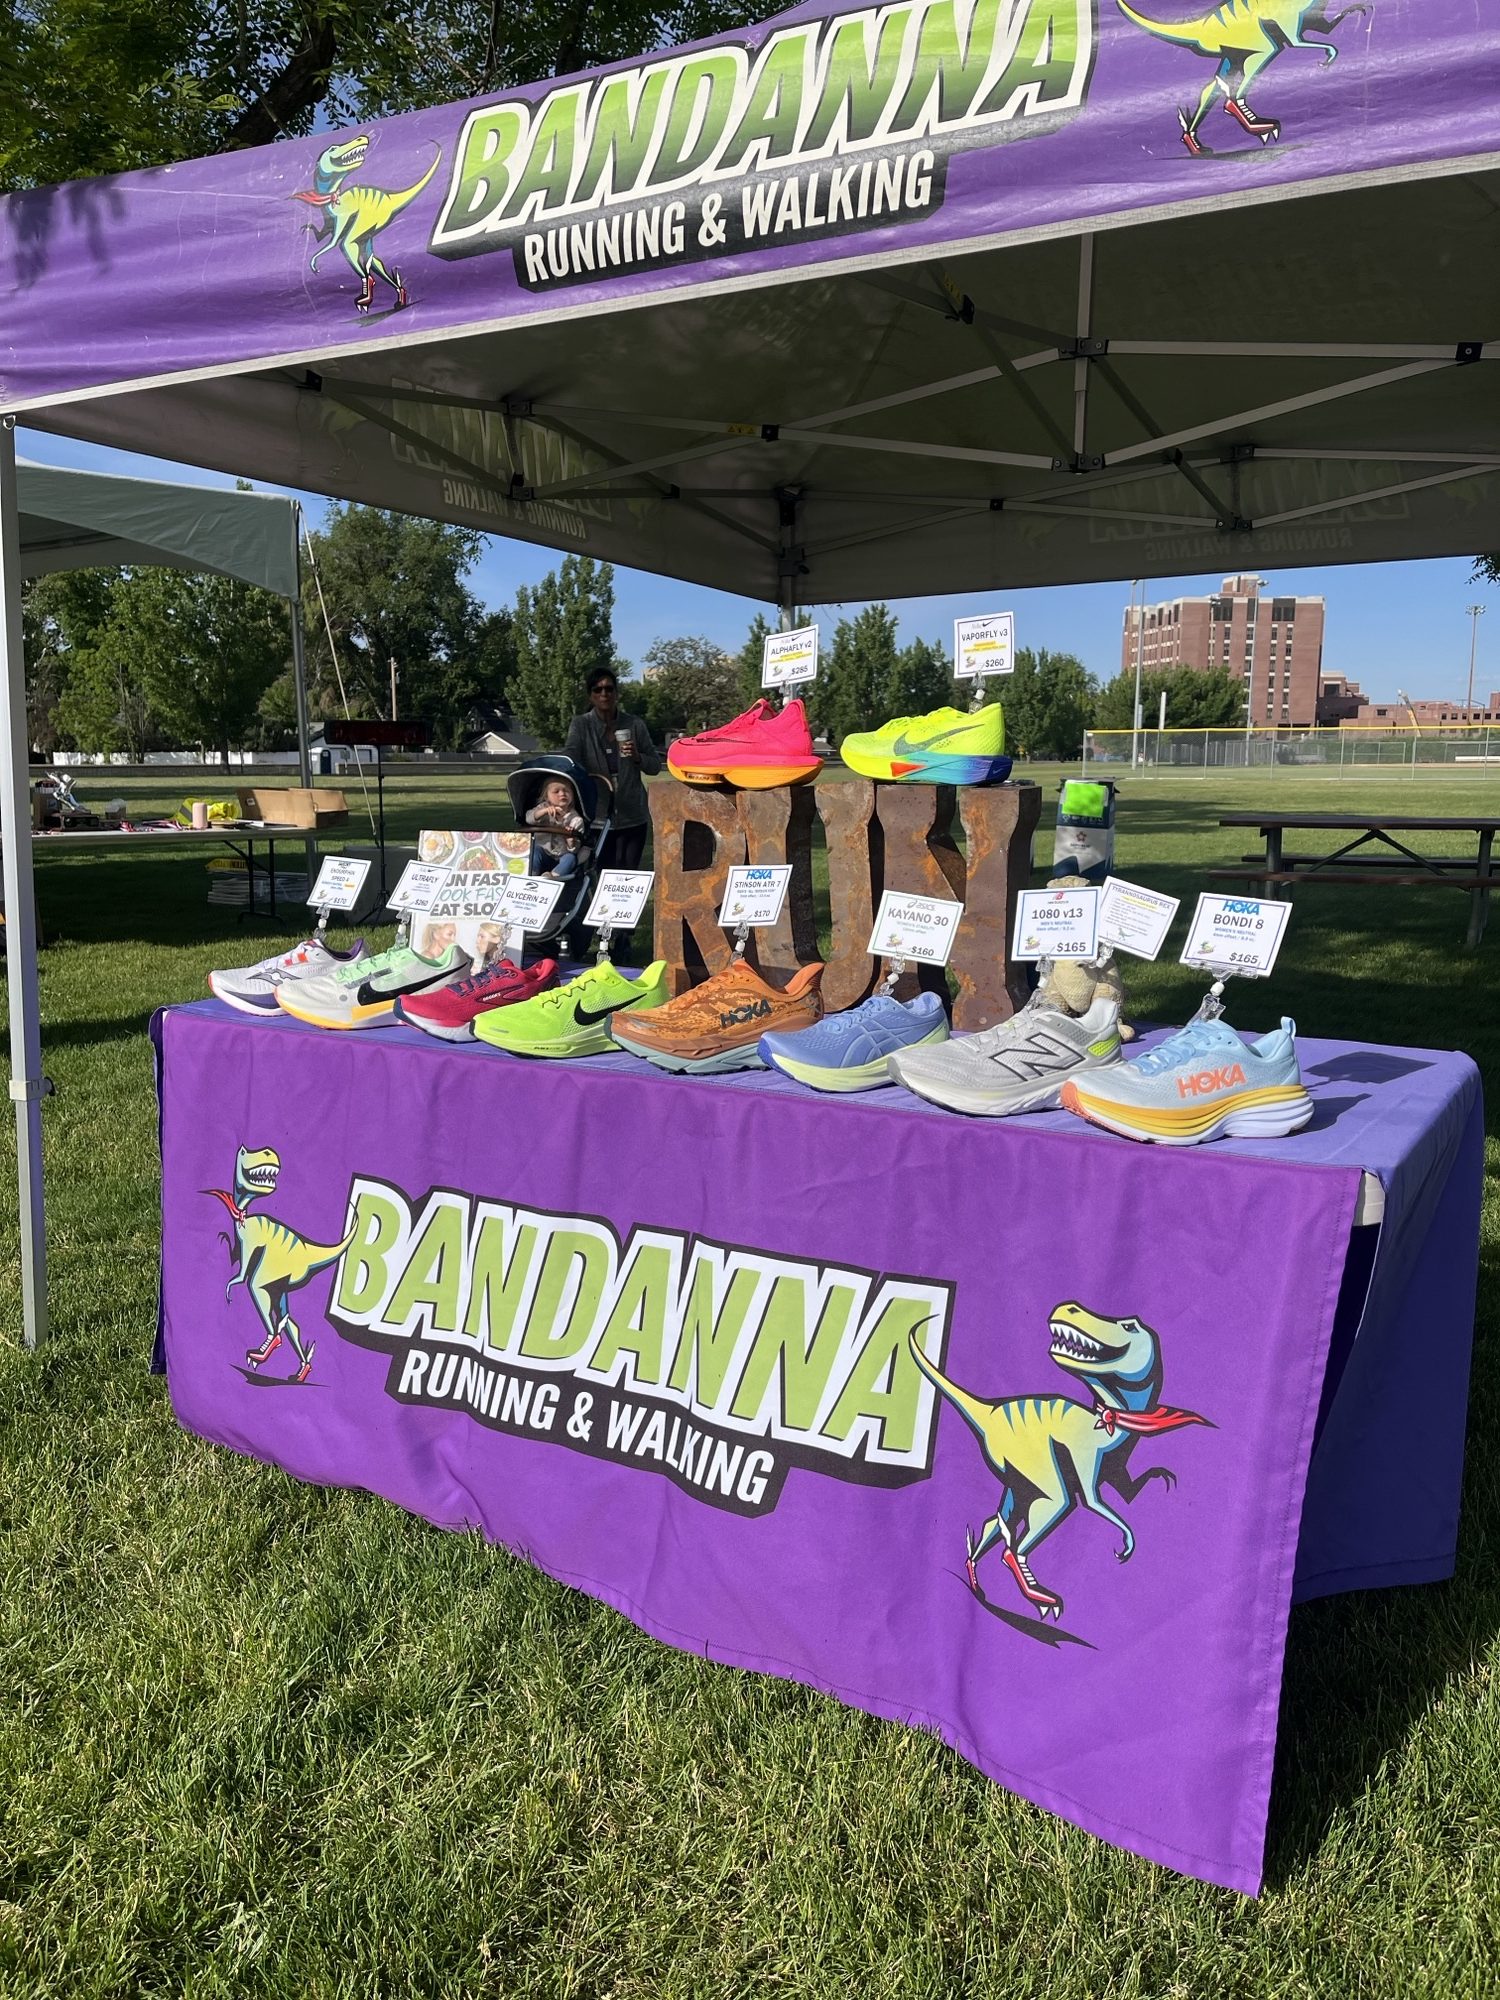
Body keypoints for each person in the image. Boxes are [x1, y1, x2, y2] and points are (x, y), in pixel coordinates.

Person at [563, 669, 661, 874]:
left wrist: (637, 757)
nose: (604, 694)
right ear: (590, 695)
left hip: (633, 814)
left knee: (628, 876)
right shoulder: (581, 725)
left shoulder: (634, 724)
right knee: (600, 874)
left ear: (617, 693)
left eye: (609, 689)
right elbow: (570, 759)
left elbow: (654, 766)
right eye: (597, 689)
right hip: (596, 815)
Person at [526, 778, 587, 878]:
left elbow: (574, 850)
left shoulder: (576, 819)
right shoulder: (542, 808)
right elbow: (529, 818)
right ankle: (532, 874)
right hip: (543, 852)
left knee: (570, 858)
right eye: (556, 791)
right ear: (547, 796)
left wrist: (570, 842)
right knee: (534, 851)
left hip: (562, 855)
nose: (562, 794)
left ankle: (552, 876)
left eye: (566, 791)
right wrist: (544, 812)